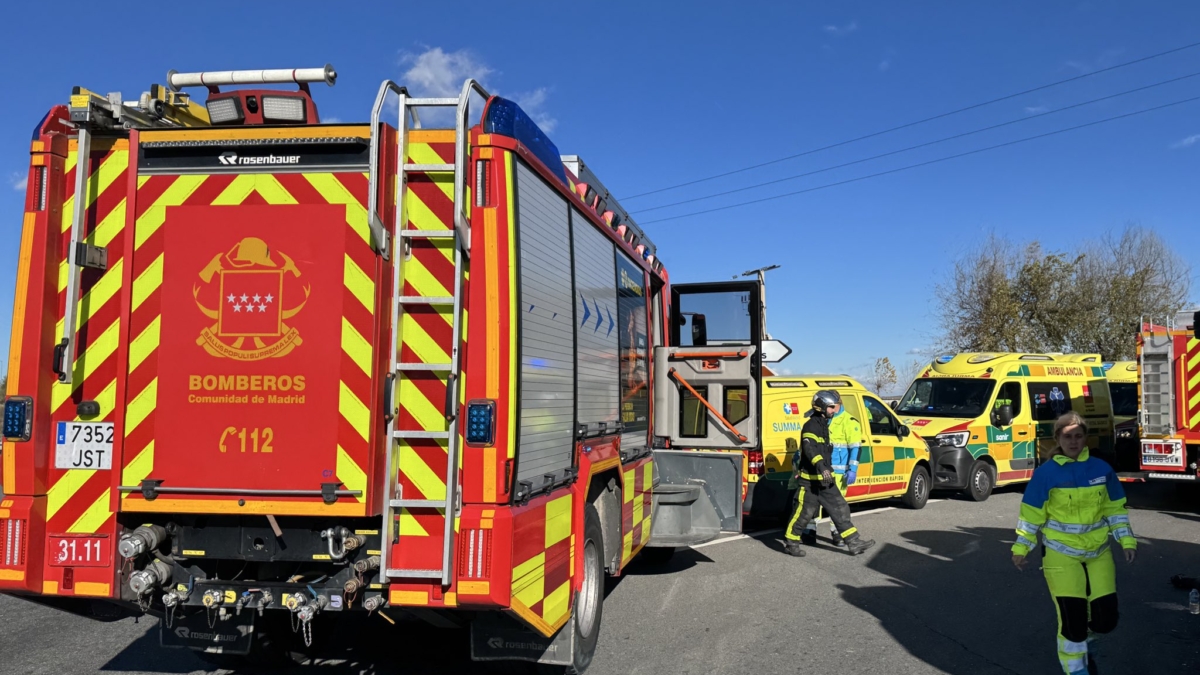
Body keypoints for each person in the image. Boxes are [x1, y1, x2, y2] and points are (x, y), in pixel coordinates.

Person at [1011, 410, 1137, 675]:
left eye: (1079, 436)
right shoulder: (1046, 474)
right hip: (1060, 554)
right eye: (1068, 436)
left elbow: (1116, 510)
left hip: (1098, 552)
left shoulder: (1102, 470)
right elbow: (1030, 515)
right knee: (1072, 622)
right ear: (1058, 438)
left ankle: (1084, 636)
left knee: (1105, 621)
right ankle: (1076, 669)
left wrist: (1126, 541)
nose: (1073, 441)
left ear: (1085, 438)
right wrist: (1021, 547)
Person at [783, 390, 876, 557]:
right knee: (804, 513)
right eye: (831, 407)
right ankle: (791, 542)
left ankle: (853, 542)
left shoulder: (824, 424)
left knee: (840, 507)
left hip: (825, 480)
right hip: (811, 481)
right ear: (822, 407)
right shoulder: (811, 425)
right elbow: (809, 447)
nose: (835, 410)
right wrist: (821, 466)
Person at [800, 398, 863, 547]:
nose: (832, 409)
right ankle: (809, 532)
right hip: (818, 469)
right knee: (813, 503)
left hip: (838, 472)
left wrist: (852, 469)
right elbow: (809, 446)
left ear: (839, 404)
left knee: (836, 505)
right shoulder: (820, 420)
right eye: (830, 406)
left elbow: (856, 447)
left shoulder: (849, 421)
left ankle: (838, 535)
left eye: (833, 406)